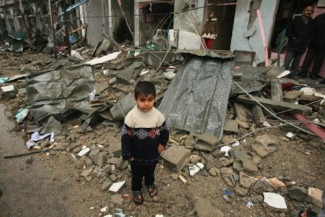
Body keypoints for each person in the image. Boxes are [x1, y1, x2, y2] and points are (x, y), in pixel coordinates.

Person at [121, 81, 169, 205]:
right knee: (136, 174)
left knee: (150, 171)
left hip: (152, 153)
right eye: (142, 100)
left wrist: (162, 144)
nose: (146, 103)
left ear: (154, 98)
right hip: (136, 155)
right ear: (136, 99)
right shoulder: (131, 117)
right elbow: (125, 137)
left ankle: (149, 183)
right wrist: (127, 153)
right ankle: (136, 189)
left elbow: (165, 131)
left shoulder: (158, 116)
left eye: (150, 99)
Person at [283, 5, 314, 76]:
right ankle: (283, 75)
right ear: (304, 11)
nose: (309, 12)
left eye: (311, 11)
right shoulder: (296, 19)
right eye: (308, 10)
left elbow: (312, 33)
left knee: (296, 63)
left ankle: (292, 75)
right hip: (292, 45)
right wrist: (293, 38)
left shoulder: (312, 22)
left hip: (302, 46)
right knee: (287, 62)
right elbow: (288, 31)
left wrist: (308, 41)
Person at [300, 13, 325, 80]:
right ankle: (304, 73)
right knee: (309, 59)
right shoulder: (318, 17)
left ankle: (311, 74)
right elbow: (311, 28)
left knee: (318, 61)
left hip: (321, 45)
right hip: (314, 43)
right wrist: (310, 38)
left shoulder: (318, 17)